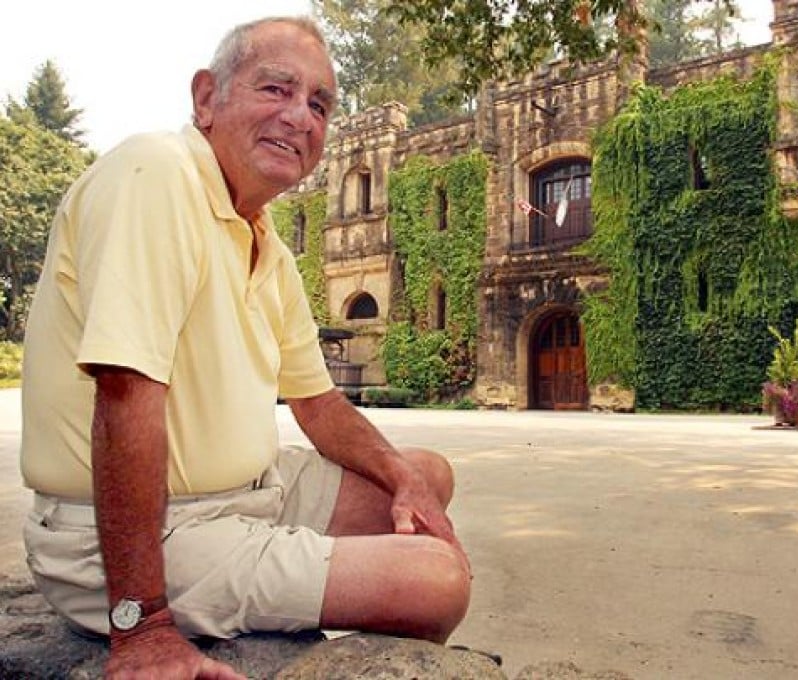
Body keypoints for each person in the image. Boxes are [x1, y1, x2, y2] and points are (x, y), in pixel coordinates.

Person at [19, 16, 471, 679]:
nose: (300, 117)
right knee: (437, 579)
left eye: (318, 103)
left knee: (426, 475)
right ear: (207, 98)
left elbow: (318, 406)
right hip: (138, 528)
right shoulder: (156, 175)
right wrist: (140, 626)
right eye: (276, 89)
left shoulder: (267, 243)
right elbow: (125, 391)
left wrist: (400, 475)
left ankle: (300, 593)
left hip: (249, 493)